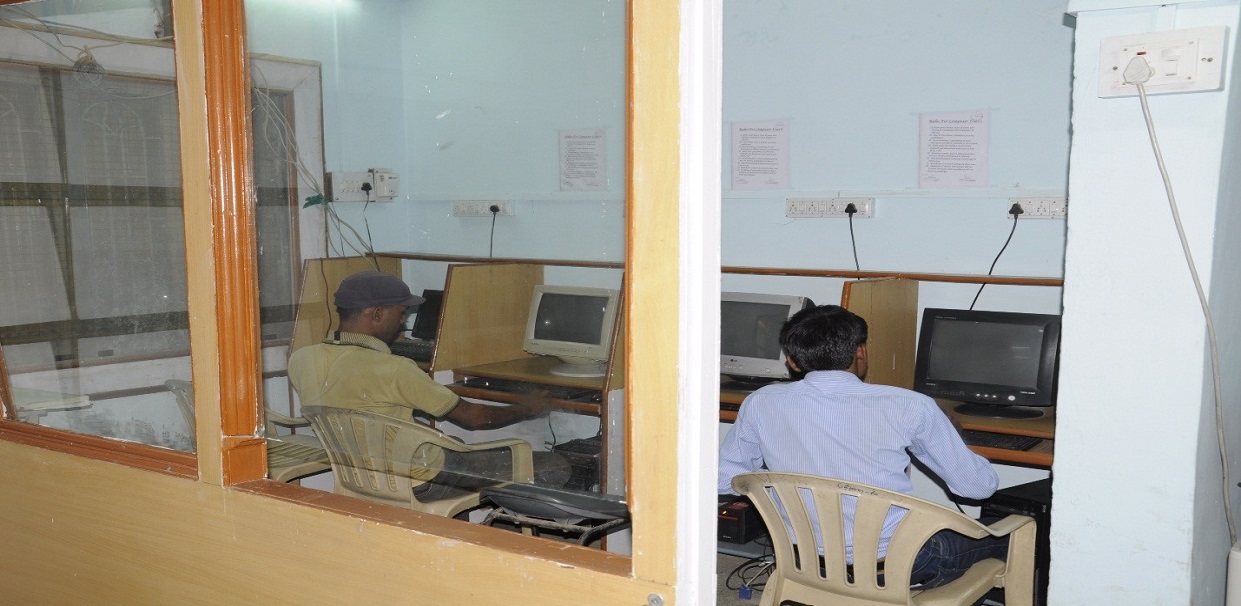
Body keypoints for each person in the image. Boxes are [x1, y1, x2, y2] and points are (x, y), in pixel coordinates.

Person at [717, 304, 1004, 588]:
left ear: (792, 362)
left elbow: (722, 479)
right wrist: (955, 438)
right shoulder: (911, 406)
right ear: (861, 352)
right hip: (896, 565)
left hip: (803, 560)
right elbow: (978, 488)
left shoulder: (761, 402)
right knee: (1009, 532)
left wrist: (782, 485)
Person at [289, 271, 569, 501]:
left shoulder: (302, 359)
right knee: (553, 464)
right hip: (418, 481)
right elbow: (474, 419)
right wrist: (526, 409)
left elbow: (363, 404)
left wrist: (435, 393)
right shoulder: (395, 369)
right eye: (401, 313)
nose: (402, 322)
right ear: (376, 314)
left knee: (458, 447)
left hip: (359, 475)